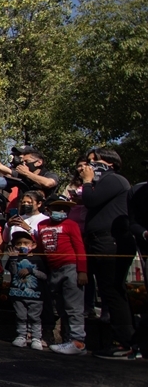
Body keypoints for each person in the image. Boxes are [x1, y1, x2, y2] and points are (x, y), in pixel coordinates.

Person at [79, 148, 137, 359]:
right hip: (99, 241)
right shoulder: (102, 184)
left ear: (110, 164)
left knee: (113, 291)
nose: (90, 166)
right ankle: (121, 339)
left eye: (95, 161)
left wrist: (86, 182)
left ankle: (126, 342)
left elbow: (91, 201)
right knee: (107, 290)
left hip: (110, 241)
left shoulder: (115, 180)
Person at [36, 197, 88, 355]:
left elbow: (79, 246)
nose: (62, 212)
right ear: (49, 209)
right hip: (54, 269)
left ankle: (78, 341)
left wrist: (82, 270)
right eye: (58, 208)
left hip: (70, 267)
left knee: (74, 307)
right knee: (60, 307)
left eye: (65, 209)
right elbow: (39, 246)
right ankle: (68, 340)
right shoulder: (42, 225)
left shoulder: (71, 225)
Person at [6, 231, 49, 350]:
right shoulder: (14, 258)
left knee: (34, 317)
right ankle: (21, 336)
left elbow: (45, 276)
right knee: (20, 316)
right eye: (18, 243)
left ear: (33, 245)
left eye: (26, 243)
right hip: (18, 293)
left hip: (35, 295)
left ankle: (36, 337)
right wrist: (13, 259)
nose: (22, 246)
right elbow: (13, 272)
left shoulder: (38, 259)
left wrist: (32, 271)